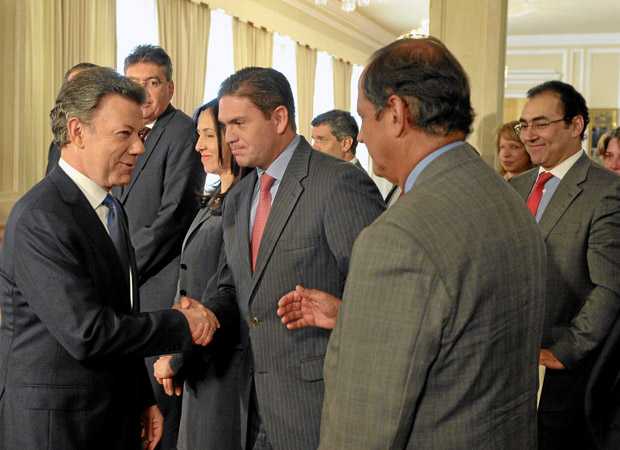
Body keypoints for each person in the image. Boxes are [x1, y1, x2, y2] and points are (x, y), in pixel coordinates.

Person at [317, 37, 546, 450]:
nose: (362, 137)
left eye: (365, 117)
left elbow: (362, 425)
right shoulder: (509, 199)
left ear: (397, 113)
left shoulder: (397, 238)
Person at [0, 67, 221, 450]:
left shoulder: (111, 209)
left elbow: (122, 314)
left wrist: (141, 397)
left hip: (109, 416)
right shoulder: (41, 216)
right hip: (56, 427)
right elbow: (89, 333)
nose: (138, 148)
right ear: (77, 132)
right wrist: (181, 323)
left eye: (142, 135)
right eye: (124, 134)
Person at [206, 67, 385, 450]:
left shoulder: (338, 183)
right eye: (224, 125)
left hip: (320, 409)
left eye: (239, 123)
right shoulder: (239, 197)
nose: (229, 136)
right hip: (252, 408)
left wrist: (341, 311)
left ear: (279, 118)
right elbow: (234, 287)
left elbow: (385, 297)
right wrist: (197, 317)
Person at [510, 80, 620, 450]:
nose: (529, 135)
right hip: (508, 360)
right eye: (524, 125)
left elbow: (611, 286)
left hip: (564, 370)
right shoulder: (514, 187)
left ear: (576, 125)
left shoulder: (607, 190)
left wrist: (568, 349)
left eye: (541, 124)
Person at [114, 44, 204, 449]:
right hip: (127, 288)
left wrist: (121, 265)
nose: (143, 92)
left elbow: (174, 215)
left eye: (152, 83)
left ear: (170, 87)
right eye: (134, 83)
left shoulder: (183, 132)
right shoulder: (125, 131)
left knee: (159, 406)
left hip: (157, 284)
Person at [153, 99, 245, 450]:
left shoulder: (243, 200)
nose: (198, 146)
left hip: (221, 363)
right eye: (198, 135)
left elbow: (227, 291)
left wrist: (180, 358)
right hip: (198, 361)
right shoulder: (216, 196)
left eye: (207, 135)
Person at [45, 62, 99, 175]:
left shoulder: (115, 142)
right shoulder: (57, 145)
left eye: (85, 88)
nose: (77, 95)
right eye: (72, 88)